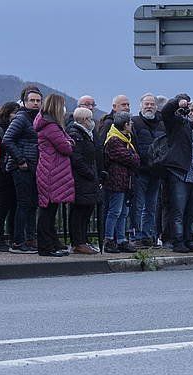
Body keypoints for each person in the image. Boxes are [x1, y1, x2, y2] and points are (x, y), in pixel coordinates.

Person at [159, 95, 193, 253]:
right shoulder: (179, 125)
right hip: (180, 174)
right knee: (178, 211)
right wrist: (177, 102)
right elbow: (166, 113)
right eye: (191, 110)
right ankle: (178, 241)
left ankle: (189, 240)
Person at [34, 94, 75, 258]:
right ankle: (45, 246)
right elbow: (67, 147)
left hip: (48, 170)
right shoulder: (51, 127)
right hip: (52, 171)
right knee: (48, 211)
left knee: (49, 210)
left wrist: (68, 142)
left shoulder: (48, 125)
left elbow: (67, 141)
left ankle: (50, 243)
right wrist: (69, 143)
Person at [3, 86, 43, 254]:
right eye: (32, 100)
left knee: (32, 204)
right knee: (24, 204)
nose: (35, 103)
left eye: (38, 101)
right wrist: (20, 160)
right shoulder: (21, 118)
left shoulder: (38, 119)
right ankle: (18, 241)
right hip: (22, 168)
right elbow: (7, 139)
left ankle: (31, 238)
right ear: (25, 102)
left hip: (34, 167)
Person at [102, 113, 140, 253]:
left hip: (125, 181)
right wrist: (133, 157)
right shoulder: (114, 140)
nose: (132, 124)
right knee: (115, 211)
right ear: (125, 125)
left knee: (124, 212)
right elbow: (133, 159)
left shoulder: (125, 139)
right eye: (130, 122)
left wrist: (133, 157)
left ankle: (121, 239)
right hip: (115, 181)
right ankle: (109, 239)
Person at [130, 93, 164, 248]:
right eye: (146, 104)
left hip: (156, 172)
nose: (149, 106)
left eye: (152, 104)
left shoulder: (161, 124)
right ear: (141, 106)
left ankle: (147, 236)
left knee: (151, 207)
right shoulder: (134, 122)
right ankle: (136, 236)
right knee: (137, 206)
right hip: (140, 171)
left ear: (156, 107)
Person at [67, 107, 100, 255]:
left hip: (88, 179)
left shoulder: (87, 134)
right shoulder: (76, 134)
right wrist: (90, 173)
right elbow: (77, 158)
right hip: (81, 179)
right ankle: (78, 242)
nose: (92, 122)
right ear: (84, 120)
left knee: (87, 211)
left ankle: (83, 240)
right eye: (90, 119)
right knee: (79, 211)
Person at [0, 101, 20, 251]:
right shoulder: (0, 130)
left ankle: (12, 237)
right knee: (2, 207)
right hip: (3, 174)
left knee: (14, 207)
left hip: (11, 172)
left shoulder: (14, 129)